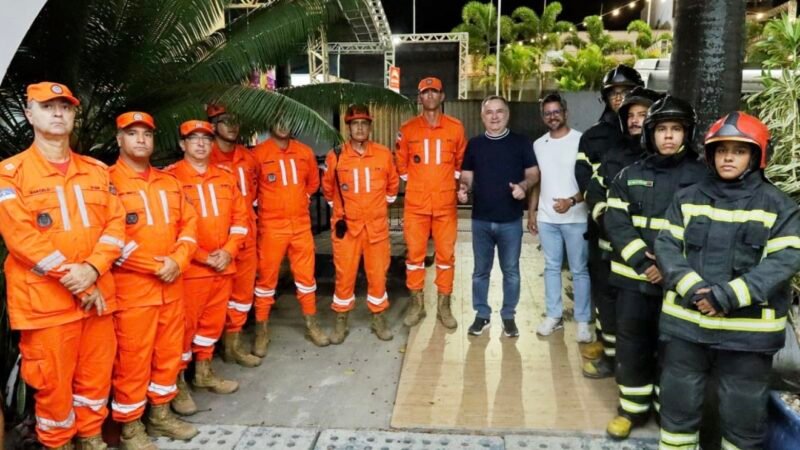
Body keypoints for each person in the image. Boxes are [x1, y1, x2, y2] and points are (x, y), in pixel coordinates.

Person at [655, 112, 800, 450]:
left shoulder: (780, 207)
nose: (729, 157)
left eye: (739, 150)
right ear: (711, 155)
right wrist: (693, 289)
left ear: (756, 156)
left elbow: (784, 261)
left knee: (743, 420)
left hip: (747, 340)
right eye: (722, 151)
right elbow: (666, 247)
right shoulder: (688, 198)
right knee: (677, 414)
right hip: (687, 329)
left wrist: (727, 296)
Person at [0, 82, 126, 450]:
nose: (58, 113)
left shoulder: (98, 171)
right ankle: (59, 444)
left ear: (74, 115)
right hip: (46, 306)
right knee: (53, 387)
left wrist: (93, 268)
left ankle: (91, 440)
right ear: (29, 114)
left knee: (96, 379)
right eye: (48, 106)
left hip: (97, 299)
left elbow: (115, 227)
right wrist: (81, 279)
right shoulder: (10, 173)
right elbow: (22, 239)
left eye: (66, 107)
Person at [603, 96, 707, 439]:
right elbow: (616, 221)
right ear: (650, 133)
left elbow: (706, 232)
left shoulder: (703, 178)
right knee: (632, 345)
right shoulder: (629, 175)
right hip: (634, 281)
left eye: (676, 129)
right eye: (662, 129)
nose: (668, 136)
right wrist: (640, 261)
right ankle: (631, 410)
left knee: (674, 349)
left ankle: (668, 412)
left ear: (686, 134)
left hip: (678, 285)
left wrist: (670, 268)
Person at [108, 112, 200, 446]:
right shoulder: (107, 182)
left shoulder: (169, 182)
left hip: (171, 286)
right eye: (132, 134)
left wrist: (177, 260)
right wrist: (153, 265)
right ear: (119, 139)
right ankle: (132, 427)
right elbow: (110, 237)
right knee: (132, 360)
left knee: (168, 354)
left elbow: (189, 227)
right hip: (134, 292)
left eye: (146, 134)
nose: (141, 140)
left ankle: (160, 416)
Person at [167, 120, 249, 416]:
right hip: (191, 270)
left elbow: (241, 221)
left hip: (223, 267)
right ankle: (177, 384)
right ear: (182, 144)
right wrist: (202, 256)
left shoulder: (225, 177)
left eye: (206, 139)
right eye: (193, 139)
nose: (201, 144)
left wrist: (227, 252)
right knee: (183, 330)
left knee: (211, 326)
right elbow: (172, 229)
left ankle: (203, 373)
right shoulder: (171, 179)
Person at [583, 87, 662, 368]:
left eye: (642, 114)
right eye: (630, 115)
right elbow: (594, 190)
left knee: (639, 323)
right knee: (609, 308)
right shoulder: (616, 155)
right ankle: (612, 357)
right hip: (611, 252)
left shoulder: (669, 163)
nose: (634, 120)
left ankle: (634, 367)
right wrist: (605, 218)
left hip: (652, 263)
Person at [576, 64, 645, 378]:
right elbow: (586, 177)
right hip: (603, 231)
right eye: (615, 93)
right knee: (606, 293)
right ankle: (608, 347)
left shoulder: (651, 136)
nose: (621, 99)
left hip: (646, 241)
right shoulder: (595, 136)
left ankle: (628, 361)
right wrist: (603, 215)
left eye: (626, 92)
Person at [458, 95, 539, 338]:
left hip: (510, 221)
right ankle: (482, 314)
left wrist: (523, 187)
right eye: (489, 112)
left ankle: (508, 316)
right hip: (481, 219)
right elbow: (467, 175)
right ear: (482, 116)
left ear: (507, 114)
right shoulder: (474, 144)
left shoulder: (521, 143)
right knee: (480, 271)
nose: (494, 116)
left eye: (499, 111)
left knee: (511, 271)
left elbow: (534, 174)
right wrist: (463, 189)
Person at [321, 104, 399, 343]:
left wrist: (374, 209)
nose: (360, 127)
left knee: (378, 275)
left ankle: (378, 319)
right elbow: (328, 189)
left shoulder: (383, 154)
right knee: (344, 276)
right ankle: (341, 321)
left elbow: (392, 187)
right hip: (347, 229)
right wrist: (346, 212)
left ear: (370, 126)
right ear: (348, 127)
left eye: (364, 123)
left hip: (376, 228)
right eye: (355, 123)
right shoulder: (336, 155)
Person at [395, 77, 466, 329]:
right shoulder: (408, 129)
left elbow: (460, 162)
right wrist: (417, 183)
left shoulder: (455, 128)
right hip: (416, 206)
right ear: (420, 98)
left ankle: (444, 307)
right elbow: (401, 164)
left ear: (442, 96)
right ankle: (417, 305)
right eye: (425, 93)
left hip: (446, 205)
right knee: (414, 257)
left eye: (434, 91)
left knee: (446, 257)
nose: (430, 96)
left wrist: (445, 184)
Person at [252, 123, 329, 348]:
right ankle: (261, 331)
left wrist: (302, 198)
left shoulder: (304, 152)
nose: (283, 125)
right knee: (266, 280)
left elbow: (314, 182)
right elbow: (251, 186)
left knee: (306, 278)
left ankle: (311, 323)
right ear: (270, 123)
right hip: (271, 227)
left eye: (287, 119)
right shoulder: (258, 154)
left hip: (301, 226)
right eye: (278, 119)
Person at [528, 93, 592, 342]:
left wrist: (572, 201)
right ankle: (553, 316)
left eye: (556, 112)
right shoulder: (538, 144)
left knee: (580, 270)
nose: (552, 116)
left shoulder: (581, 141)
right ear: (543, 117)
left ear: (565, 112)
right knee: (551, 268)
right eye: (547, 113)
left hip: (576, 218)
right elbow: (536, 181)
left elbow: (590, 181)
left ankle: (583, 320)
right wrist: (532, 212)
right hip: (547, 219)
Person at [206, 104, 263, 367]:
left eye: (235, 120)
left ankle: (233, 345)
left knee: (242, 294)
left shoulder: (249, 158)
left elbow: (258, 191)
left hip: (247, 235)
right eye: (224, 120)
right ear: (213, 124)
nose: (231, 125)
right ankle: (205, 354)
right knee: (213, 298)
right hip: (216, 238)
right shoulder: (205, 158)